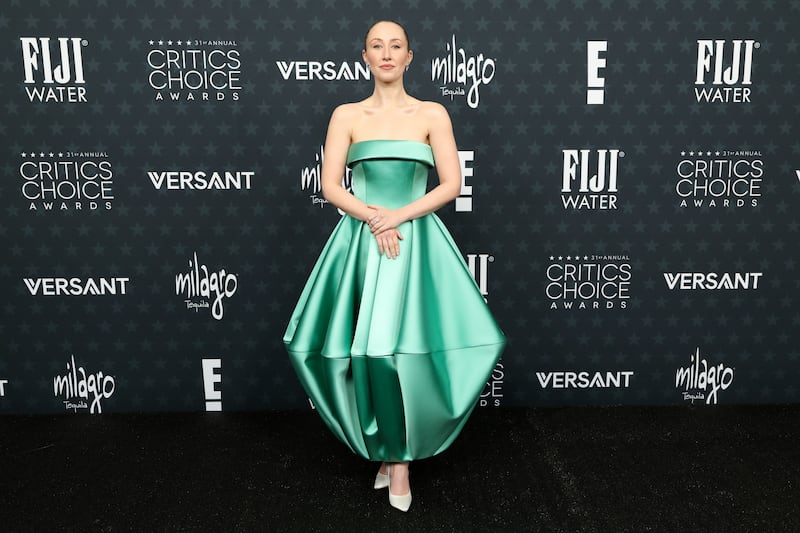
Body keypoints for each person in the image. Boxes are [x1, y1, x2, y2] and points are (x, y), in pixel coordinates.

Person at [283, 20, 506, 512]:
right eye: (377, 46)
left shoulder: (431, 113)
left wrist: (394, 218)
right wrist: (372, 219)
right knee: (362, 351)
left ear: (410, 57)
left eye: (396, 46)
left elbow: (451, 183)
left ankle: (398, 462)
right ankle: (385, 450)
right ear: (364, 56)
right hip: (362, 243)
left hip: (414, 243)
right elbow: (331, 186)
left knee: (399, 351)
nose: (387, 53)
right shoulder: (346, 115)